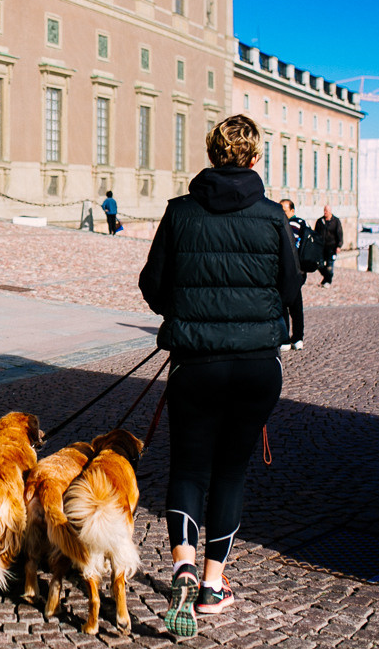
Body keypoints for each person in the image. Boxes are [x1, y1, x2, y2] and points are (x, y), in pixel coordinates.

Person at [138, 115, 302, 638]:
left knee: (188, 466)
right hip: (257, 366)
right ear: (256, 160)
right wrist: (280, 326)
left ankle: (182, 562)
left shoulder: (180, 212)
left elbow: (152, 282)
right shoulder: (273, 216)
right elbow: (291, 286)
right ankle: (213, 585)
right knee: (231, 470)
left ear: (212, 156)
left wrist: (180, 314)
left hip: (196, 362)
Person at [279, 199, 307, 350]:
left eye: (284, 210)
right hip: (298, 272)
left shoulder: (292, 225)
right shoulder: (302, 223)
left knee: (284, 304)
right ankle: (297, 338)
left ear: (292, 211)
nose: (282, 212)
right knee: (296, 305)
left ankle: (286, 339)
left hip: (290, 271)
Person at [314, 204, 343, 288]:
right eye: (324, 210)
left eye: (327, 210)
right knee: (319, 264)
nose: (325, 212)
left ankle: (328, 281)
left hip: (332, 247)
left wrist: (339, 246)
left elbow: (339, 233)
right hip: (321, 247)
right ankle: (326, 278)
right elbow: (315, 233)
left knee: (329, 266)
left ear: (330, 211)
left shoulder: (336, 221)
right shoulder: (320, 221)